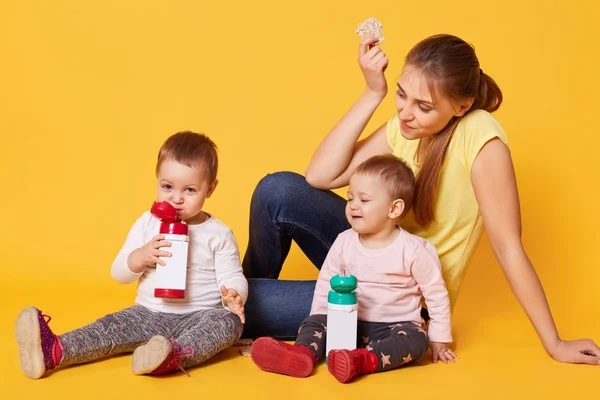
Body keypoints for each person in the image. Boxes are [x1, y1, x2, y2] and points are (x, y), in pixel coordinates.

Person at [241, 34, 600, 365]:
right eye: (401, 94)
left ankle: (230, 312)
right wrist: (372, 93)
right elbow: (321, 176)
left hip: (399, 302)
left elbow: (508, 247)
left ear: (461, 106)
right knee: (278, 191)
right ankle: (233, 309)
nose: (405, 112)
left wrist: (554, 343)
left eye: (423, 106)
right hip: (365, 253)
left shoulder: (480, 138)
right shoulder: (407, 127)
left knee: (225, 299)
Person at [15, 131, 247, 379]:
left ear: (210, 189)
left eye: (190, 190)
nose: (176, 199)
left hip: (199, 315)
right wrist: (141, 256)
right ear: (157, 180)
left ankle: (171, 355)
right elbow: (119, 273)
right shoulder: (147, 223)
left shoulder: (218, 234)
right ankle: (55, 349)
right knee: (109, 327)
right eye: (167, 186)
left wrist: (234, 295)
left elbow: (232, 274)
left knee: (229, 324)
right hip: (147, 312)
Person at [250, 154, 457, 383]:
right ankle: (302, 354)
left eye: (364, 200)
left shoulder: (414, 250)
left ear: (394, 208)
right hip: (347, 322)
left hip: (393, 327)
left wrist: (439, 339)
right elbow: (325, 282)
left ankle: (360, 361)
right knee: (315, 322)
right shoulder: (344, 241)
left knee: (416, 339)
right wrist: (317, 318)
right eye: (350, 198)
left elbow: (436, 295)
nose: (353, 206)